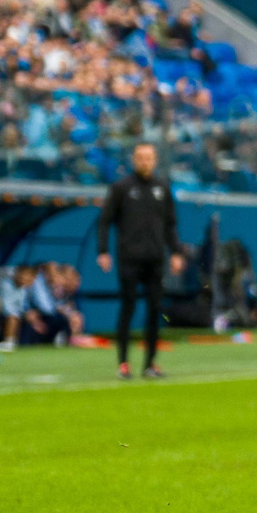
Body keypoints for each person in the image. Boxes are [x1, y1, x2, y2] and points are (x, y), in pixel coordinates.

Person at [96, 143, 183, 380]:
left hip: (155, 259)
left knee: (155, 309)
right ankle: (123, 363)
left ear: (155, 160)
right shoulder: (121, 188)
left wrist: (176, 252)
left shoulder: (162, 188)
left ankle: (150, 364)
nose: (145, 162)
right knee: (128, 308)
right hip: (129, 259)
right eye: (140, 157)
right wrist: (103, 251)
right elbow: (104, 221)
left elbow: (170, 225)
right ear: (134, 160)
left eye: (149, 157)